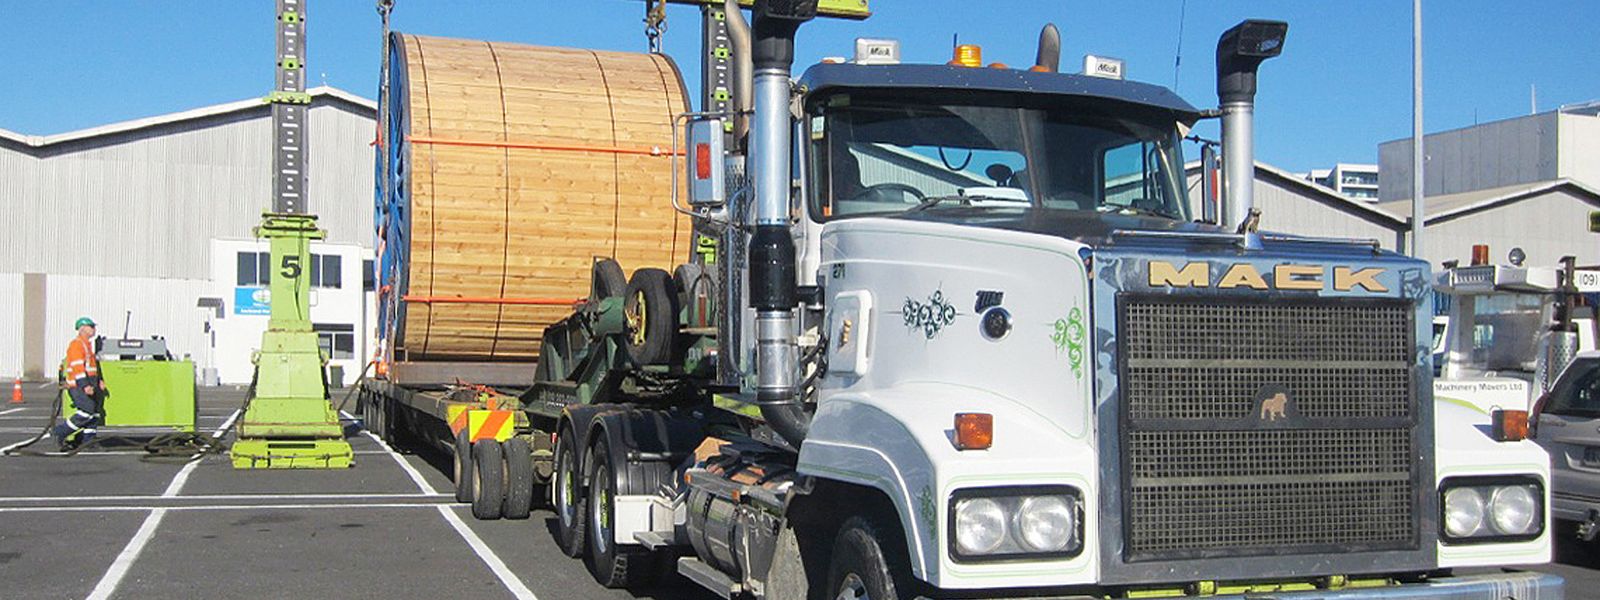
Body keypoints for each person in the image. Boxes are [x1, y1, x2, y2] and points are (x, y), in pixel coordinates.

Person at [51, 317, 106, 450]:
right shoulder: (77, 345)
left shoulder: (86, 345)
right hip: (79, 386)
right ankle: (60, 432)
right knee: (86, 412)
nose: (94, 329)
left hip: (90, 384)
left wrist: (99, 381)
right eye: (91, 326)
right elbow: (78, 368)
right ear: (82, 329)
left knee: (94, 414)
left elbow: (91, 367)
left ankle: (88, 442)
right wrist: (85, 385)